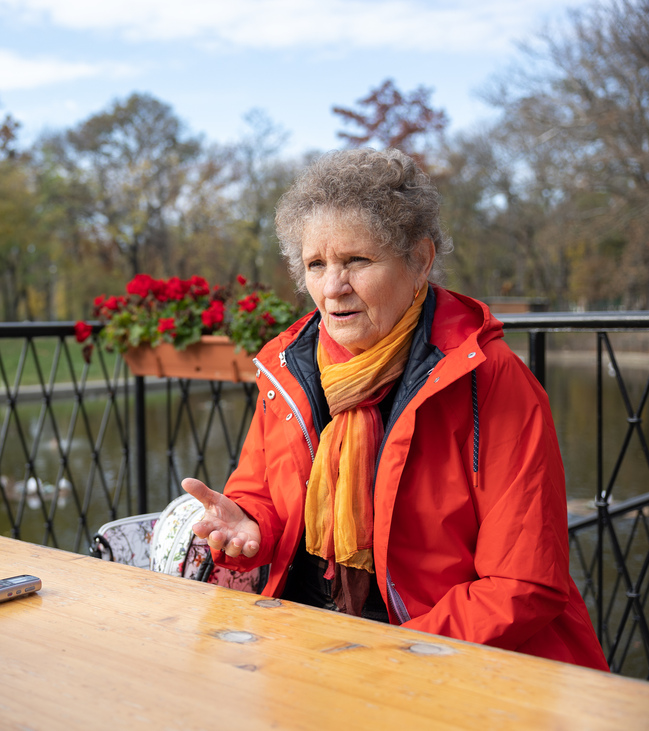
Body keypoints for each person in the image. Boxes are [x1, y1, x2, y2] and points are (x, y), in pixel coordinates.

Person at [182, 147, 608, 670]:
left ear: (420, 260)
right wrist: (249, 524)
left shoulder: (491, 379)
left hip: (452, 659)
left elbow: (523, 585)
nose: (333, 287)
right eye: (316, 264)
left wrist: (381, 655)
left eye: (356, 261)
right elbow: (260, 492)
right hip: (307, 644)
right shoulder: (287, 367)